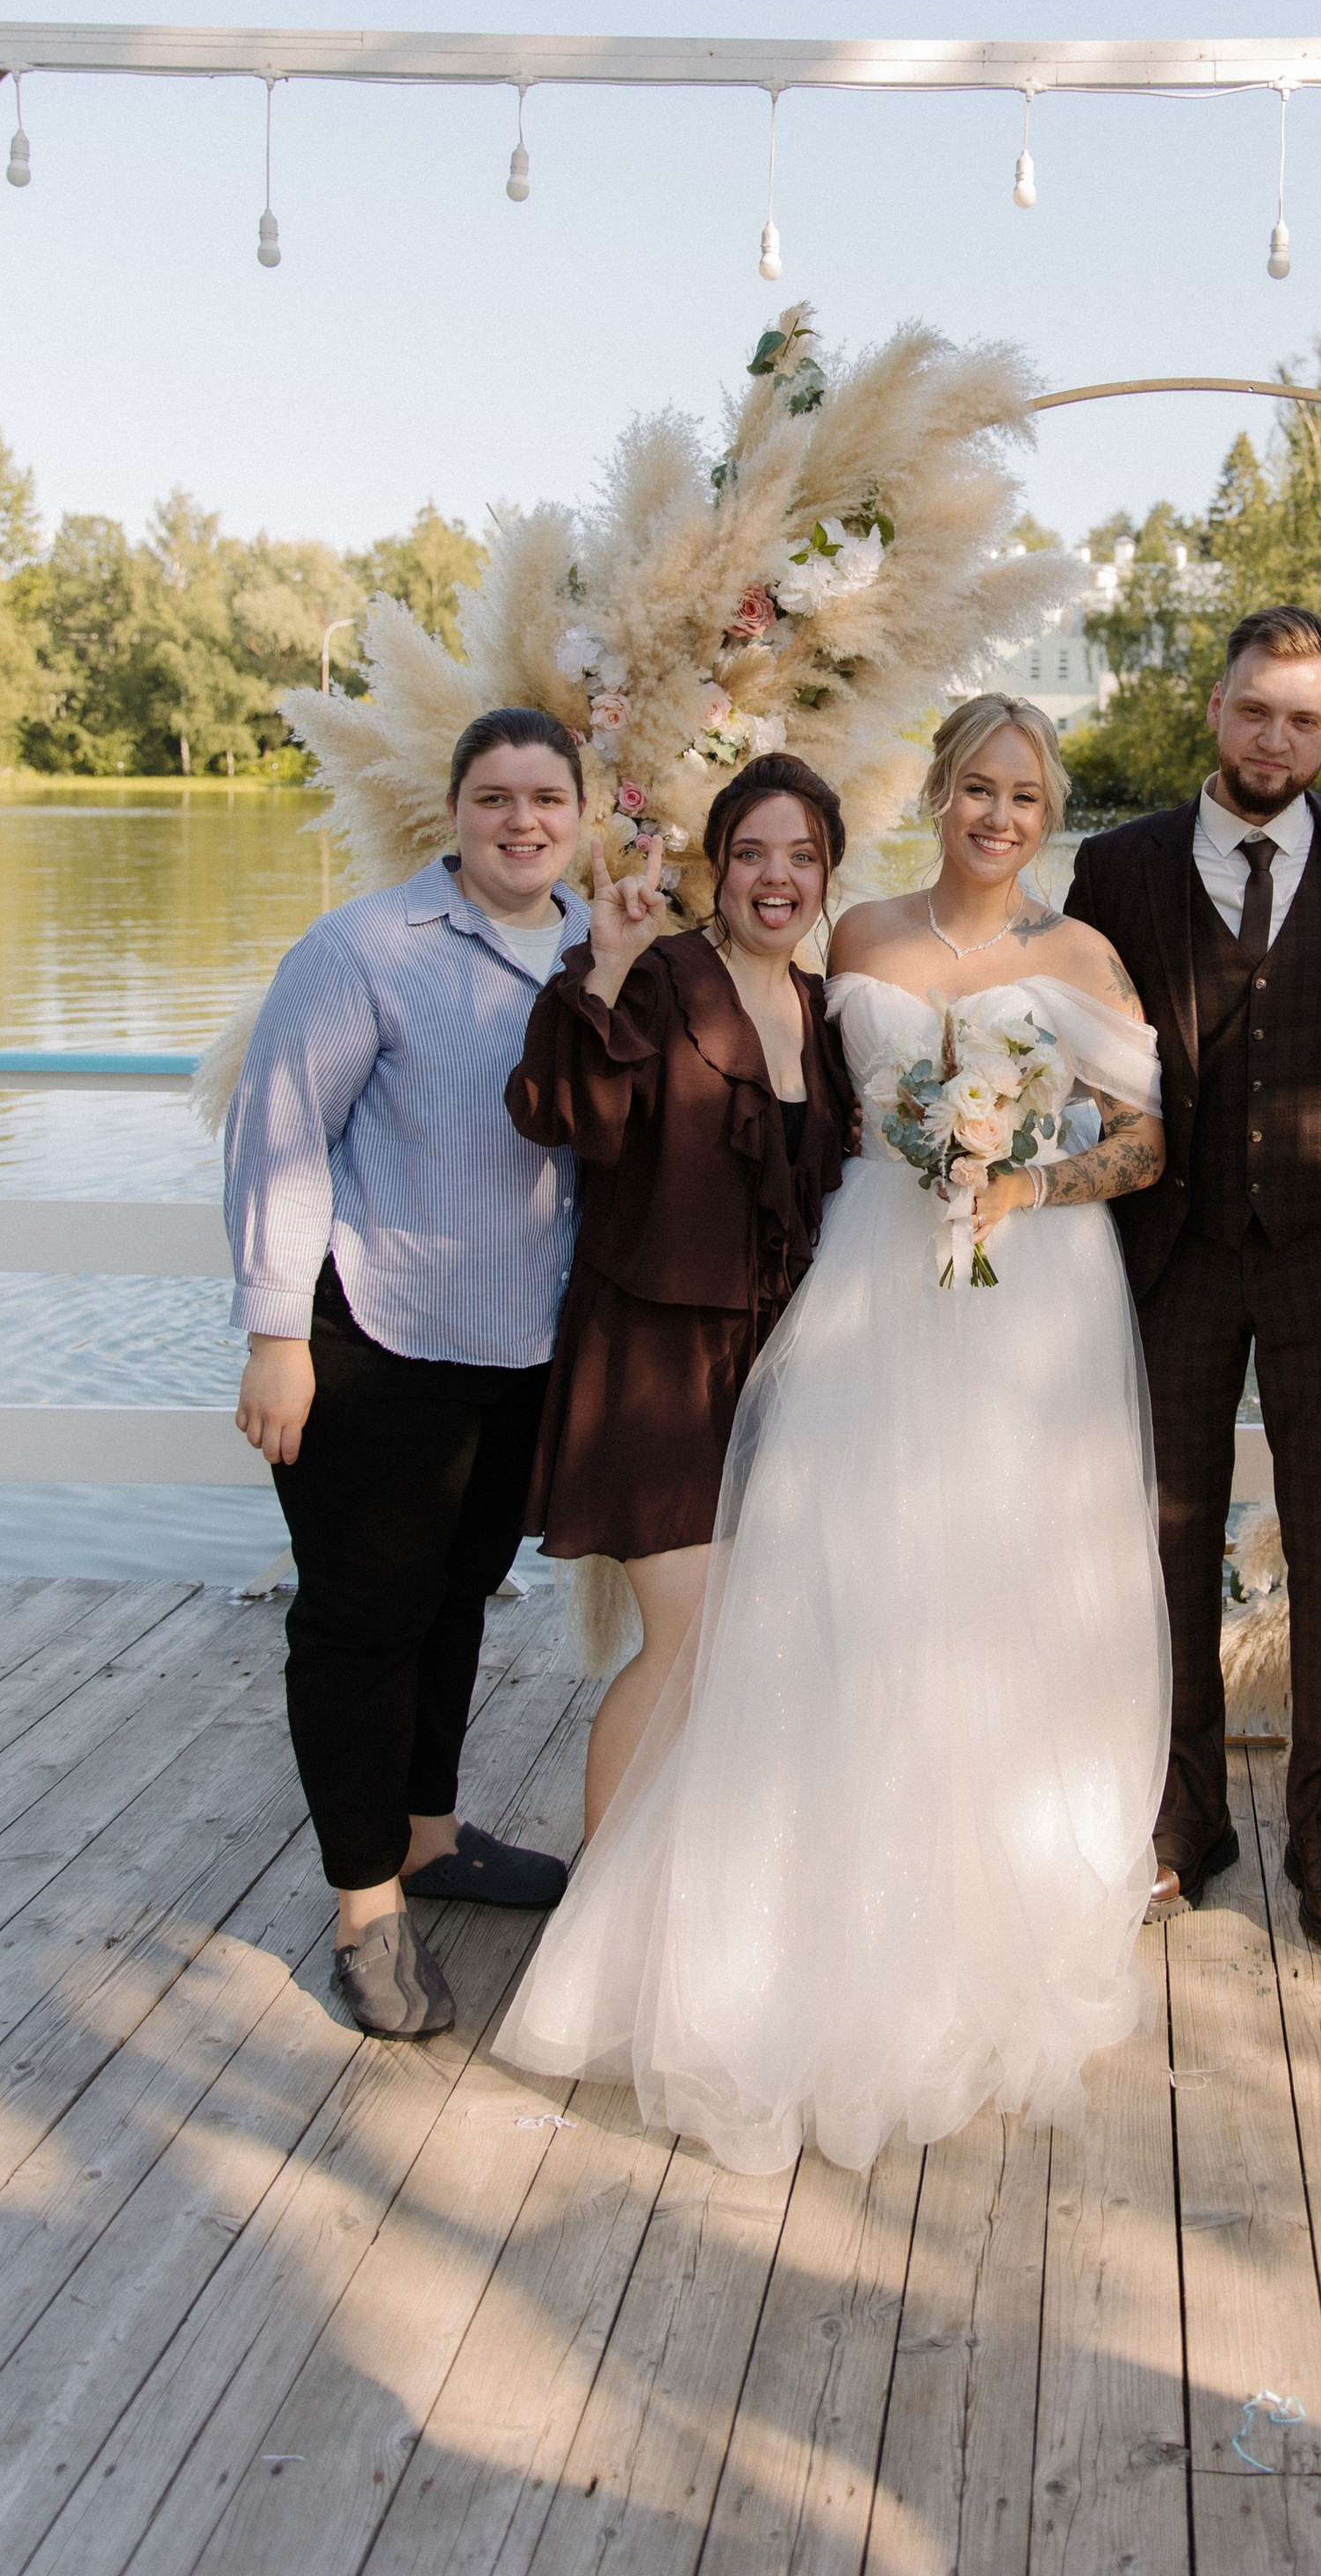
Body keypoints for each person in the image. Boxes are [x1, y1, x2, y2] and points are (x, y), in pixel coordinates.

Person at [496, 694, 1171, 2173]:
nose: (999, 814)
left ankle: (990, 1877)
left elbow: (1143, 1142)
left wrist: (1026, 1182)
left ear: (1048, 814)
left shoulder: (1084, 956)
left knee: (1004, 1589)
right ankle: (793, 1893)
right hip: (866, 1287)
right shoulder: (855, 938)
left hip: (1032, 1294)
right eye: (976, 787)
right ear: (936, 792)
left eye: (1026, 794)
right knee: (842, 1583)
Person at [227, 707, 589, 2042]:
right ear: (454, 813)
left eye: (546, 796)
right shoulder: (363, 950)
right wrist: (276, 1337)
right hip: (373, 1342)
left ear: (581, 813)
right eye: (494, 797)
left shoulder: (603, 948)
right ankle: (366, 1911)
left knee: (458, 1605)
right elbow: (279, 1140)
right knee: (362, 1620)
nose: (521, 820)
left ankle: (431, 1837)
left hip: (525, 1347)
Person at [1065, 605, 1321, 1959]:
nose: (1279, 736)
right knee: (1159, 1547)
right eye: (1257, 708)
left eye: (1306, 718)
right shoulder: (1119, 865)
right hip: (1173, 1253)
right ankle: (1181, 1815)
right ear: (1214, 709)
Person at [505, 755, 852, 1834]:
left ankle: (696, 1883)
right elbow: (569, 1117)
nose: (774, 878)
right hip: (653, 1368)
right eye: (750, 853)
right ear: (717, 868)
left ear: (829, 873)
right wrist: (602, 966)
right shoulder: (660, 975)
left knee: (757, 1646)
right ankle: (600, 1902)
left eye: (801, 856)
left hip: (772, 1378)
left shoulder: (819, 1004)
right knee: (690, 1641)